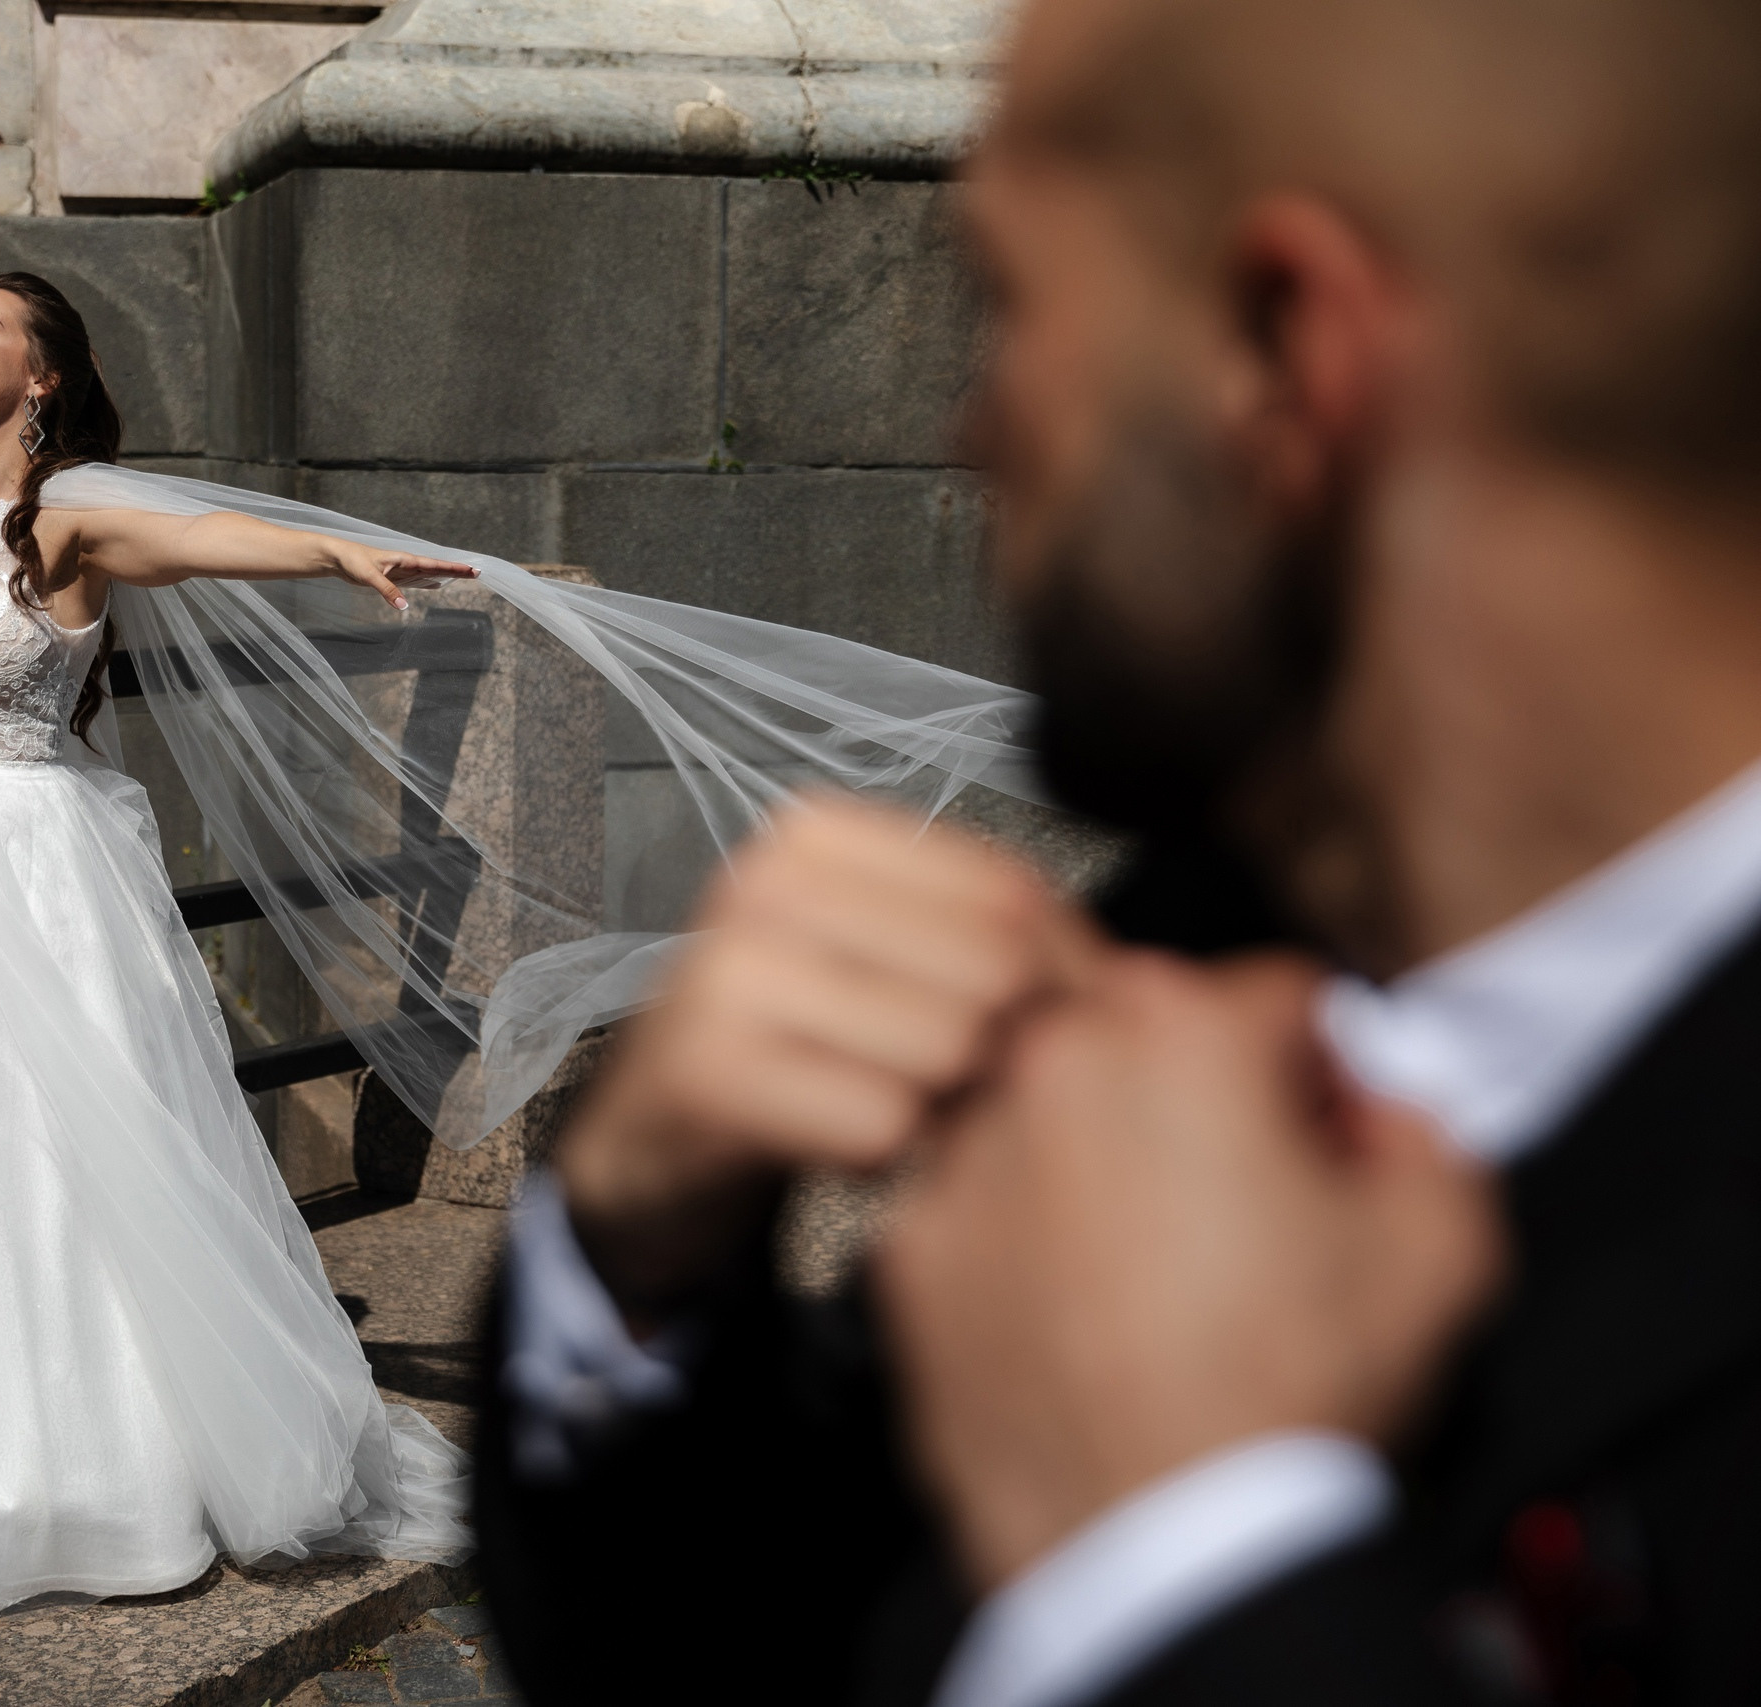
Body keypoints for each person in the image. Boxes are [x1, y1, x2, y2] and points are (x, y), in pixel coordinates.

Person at [475, 0, 1761, 1701]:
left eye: (1008, 303)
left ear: (1283, 346)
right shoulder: (1206, 946)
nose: (976, 430)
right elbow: (744, 1639)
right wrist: (640, 1258)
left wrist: (1199, 1567)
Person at [0, 272, 482, 1625]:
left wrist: (335, 555)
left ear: (43, 377)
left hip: (29, 860)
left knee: (50, 1137)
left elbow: (208, 537)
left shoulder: (68, 526)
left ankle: (99, 1466)